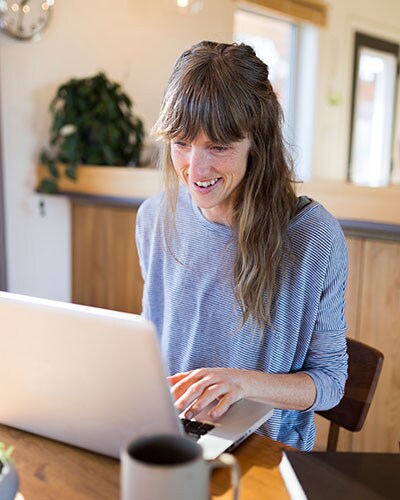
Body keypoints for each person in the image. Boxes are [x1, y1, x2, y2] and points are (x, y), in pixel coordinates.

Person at [136, 41, 348, 451]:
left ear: (258, 143)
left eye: (217, 146)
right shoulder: (154, 218)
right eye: (181, 143)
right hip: (171, 437)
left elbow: (331, 383)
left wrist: (241, 383)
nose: (194, 170)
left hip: (264, 453)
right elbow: (152, 341)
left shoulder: (313, 239)